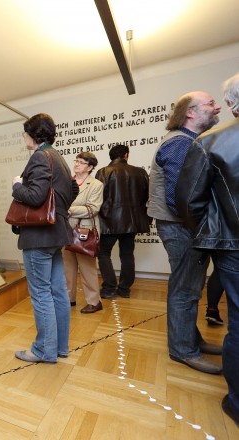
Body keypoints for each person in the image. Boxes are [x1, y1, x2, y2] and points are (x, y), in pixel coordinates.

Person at [176, 73, 239, 424]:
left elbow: (188, 198)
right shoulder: (194, 142)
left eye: (217, 101)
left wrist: (208, 232)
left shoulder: (210, 142)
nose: (216, 106)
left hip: (232, 242)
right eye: (208, 103)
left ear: (231, 103)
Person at [147, 90, 222, 374]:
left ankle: (191, 339)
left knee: (190, 286)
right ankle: (183, 350)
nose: (217, 108)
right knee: (185, 289)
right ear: (189, 112)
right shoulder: (180, 143)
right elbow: (181, 198)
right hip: (181, 226)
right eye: (210, 104)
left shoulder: (187, 142)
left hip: (182, 225)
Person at [12, 113, 78, 363]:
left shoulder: (40, 156)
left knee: (41, 293)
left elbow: (36, 195)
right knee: (58, 292)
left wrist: (17, 185)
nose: (23, 137)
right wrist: (59, 209)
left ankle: (43, 350)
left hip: (38, 236)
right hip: (56, 233)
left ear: (32, 134)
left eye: (24, 132)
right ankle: (59, 347)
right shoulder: (58, 157)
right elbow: (73, 189)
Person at [94, 144, 151, 299]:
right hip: (131, 222)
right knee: (127, 254)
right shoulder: (140, 172)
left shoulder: (103, 172)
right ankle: (124, 289)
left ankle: (109, 288)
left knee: (103, 253)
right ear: (126, 155)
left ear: (111, 156)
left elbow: (97, 198)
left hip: (108, 221)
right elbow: (149, 197)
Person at [63, 152, 103, 313]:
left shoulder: (96, 185)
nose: (77, 164)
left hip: (84, 232)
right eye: (76, 161)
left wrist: (69, 210)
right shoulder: (67, 182)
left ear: (90, 167)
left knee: (87, 269)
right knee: (67, 267)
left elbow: (92, 208)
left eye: (81, 162)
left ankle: (94, 302)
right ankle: (69, 299)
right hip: (65, 230)